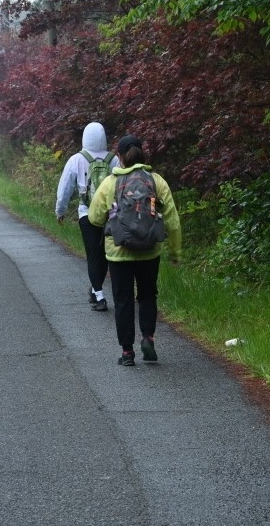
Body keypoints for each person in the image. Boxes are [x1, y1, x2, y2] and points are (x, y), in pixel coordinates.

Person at [87, 135, 182, 366]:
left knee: (123, 300)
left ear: (119, 157)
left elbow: (94, 218)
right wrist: (175, 253)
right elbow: (172, 220)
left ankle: (127, 352)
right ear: (142, 153)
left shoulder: (110, 183)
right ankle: (148, 338)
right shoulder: (156, 181)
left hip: (119, 253)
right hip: (150, 251)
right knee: (148, 294)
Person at [55, 121, 118, 312]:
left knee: (92, 255)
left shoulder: (76, 159)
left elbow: (65, 188)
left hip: (87, 214)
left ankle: (99, 296)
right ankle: (96, 289)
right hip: (110, 213)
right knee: (105, 255)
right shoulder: (114, 160)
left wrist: (60, 210)